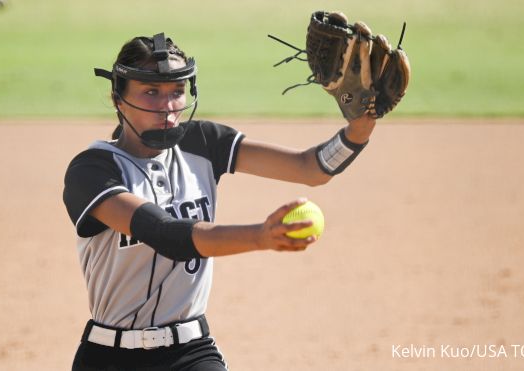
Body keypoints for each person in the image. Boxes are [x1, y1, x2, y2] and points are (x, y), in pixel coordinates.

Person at [63, 32, 376, 370]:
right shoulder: (92, 171)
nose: (168, 107)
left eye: (177, 92)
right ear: (118, 98)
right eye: (151, 92)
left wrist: (361, 128)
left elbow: (310, 167)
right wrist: (259, 236)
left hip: (191, 353)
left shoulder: (203, 142)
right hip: (110, 357)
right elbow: (165, 234)